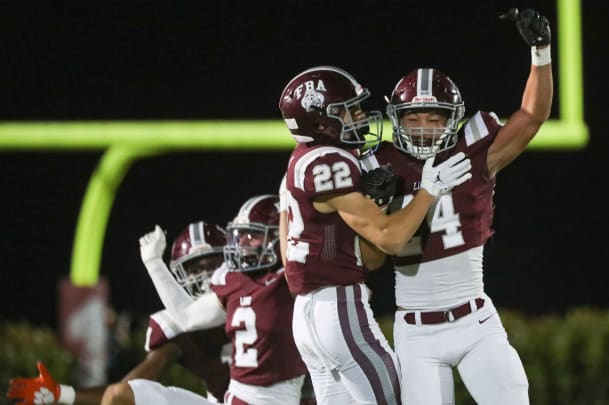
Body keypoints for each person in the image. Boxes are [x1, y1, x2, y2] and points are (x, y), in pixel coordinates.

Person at [357, 7, 554, 404]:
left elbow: (532, 116)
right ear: (398, 119)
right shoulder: (379, 167)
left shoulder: (476, 150)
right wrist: (376, 205)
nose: (426, 128)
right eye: (415, 118)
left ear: (455, 119)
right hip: (415, 331)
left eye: (436, 118)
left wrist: (541, 52)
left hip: (475, 319)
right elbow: (371, 260)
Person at [278, 65, 473, 405]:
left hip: (306, 316)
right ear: (320, 120)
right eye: (347, 110)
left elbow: (369, 256)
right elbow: (390, 239)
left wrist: (379, 204)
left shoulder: (302, 160)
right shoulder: (330, 161)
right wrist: (430, 190)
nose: (359, 117)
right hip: (339, 309)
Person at [6, 222, 230, 405]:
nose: (204, 277)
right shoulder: (178, 327)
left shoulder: (252, 300)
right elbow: (125, 390)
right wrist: (59, 393)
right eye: (195, 269)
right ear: (179, 274)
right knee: (119, 396)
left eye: (212, 265)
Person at [137, 195, 313, 405]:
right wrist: (153, 262)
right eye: (241, 235)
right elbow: (186, 316)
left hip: (291, 395)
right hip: (239, 398)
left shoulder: (296, 277)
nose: (243, 243)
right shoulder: (235, 280)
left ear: (279, 236)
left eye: (253, 235)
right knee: (123, 395)